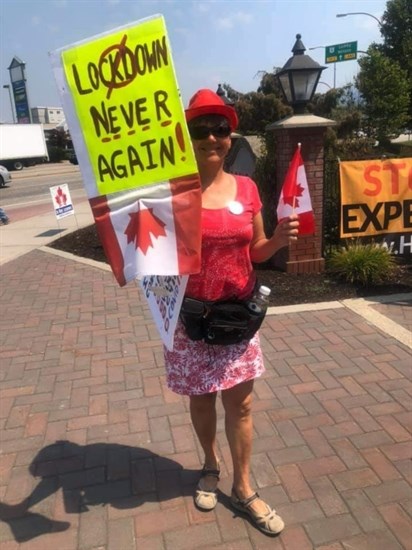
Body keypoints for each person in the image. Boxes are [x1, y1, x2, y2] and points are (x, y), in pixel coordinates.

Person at [163, 89, 299, 536]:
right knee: (201, 400)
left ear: (230, 136)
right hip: (194, 320)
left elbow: (256, 250)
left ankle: (243, 487)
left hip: (238, 318)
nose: (210, 137)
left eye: (219, 128)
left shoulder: (246, 187)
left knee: (241, 407)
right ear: (187, 136)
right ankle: (209, 465)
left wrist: (277, 242)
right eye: (200, 129)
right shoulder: (172, 193)